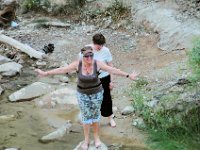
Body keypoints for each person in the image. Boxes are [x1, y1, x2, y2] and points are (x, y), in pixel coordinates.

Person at [35, 46, 138, 150]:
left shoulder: (97, 63)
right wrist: (45, 73)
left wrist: (128, 75)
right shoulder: (77, 64)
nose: (89, 58)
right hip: (82, 95)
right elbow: (62, 69)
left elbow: (112, 69)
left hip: (96, 94)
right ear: (82, 56)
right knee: (86, 118)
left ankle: (97, 138)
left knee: (95, 116)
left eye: (91, 55)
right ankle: (86, 140)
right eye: (86, 56)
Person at [81, 33, 117, 127]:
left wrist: (112, 81)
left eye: (102, 45)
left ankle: (110, 118)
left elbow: (110, 66)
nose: (100, 47)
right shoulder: (87, 49)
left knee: (107, 98)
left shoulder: (106, 50)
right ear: (93, 43)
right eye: (98, 45)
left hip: (105, 77)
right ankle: (92, 119)